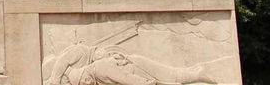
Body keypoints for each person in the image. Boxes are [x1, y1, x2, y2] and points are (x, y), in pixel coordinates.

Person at [46, 42, 216, 85]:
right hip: (135, 72)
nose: (86, 83)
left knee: (172, 75)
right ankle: (196, 72)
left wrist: (144, 83)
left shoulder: (93, 61)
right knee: (172, 75)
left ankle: (197, 73)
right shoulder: (90, 69)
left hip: (138, 68)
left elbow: (123, 77)